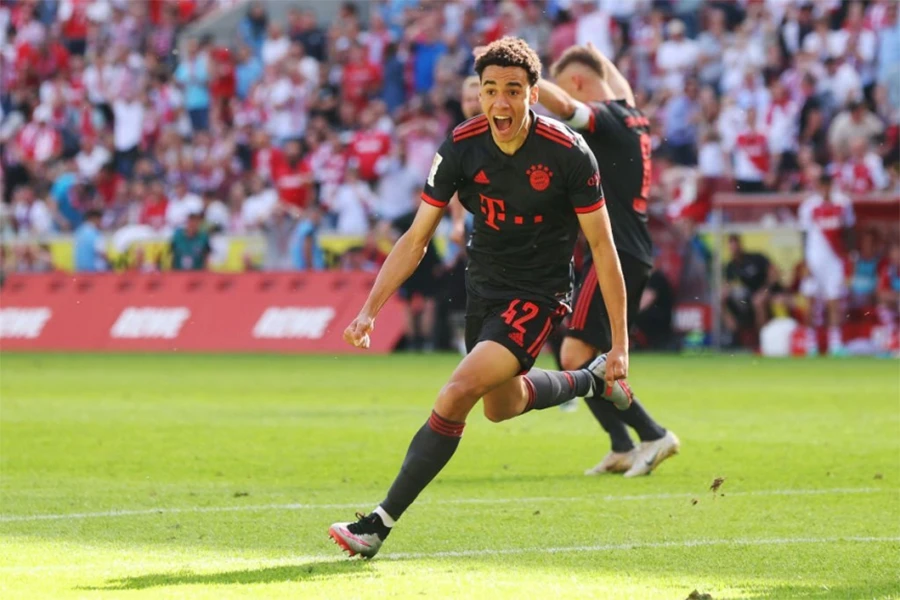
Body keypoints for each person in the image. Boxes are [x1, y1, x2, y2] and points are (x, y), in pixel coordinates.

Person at [329, 37, 631, 559]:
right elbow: (417, 237)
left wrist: (623, 343)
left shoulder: (568, 154)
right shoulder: (460, 146)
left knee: (456, 391)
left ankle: (377, 524)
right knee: (502, 405)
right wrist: (369, 310)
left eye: (512, 91)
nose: (499, 103)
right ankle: (591, 379)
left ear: (534, 94)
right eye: (490, 90)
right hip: (483, 287)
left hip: (538, 293)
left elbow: (603, 249)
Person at [534, 43, 679, 478]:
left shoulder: (607, 121)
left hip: (612, 252)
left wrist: (516, 72)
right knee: (585, 356)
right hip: (633, 251)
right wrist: (596, 55)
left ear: (577, 83)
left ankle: (653, 434)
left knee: (574, 355)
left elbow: (562, 102)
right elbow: (617, 82)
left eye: (568, 85)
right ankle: (621, 445)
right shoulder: (633, 116)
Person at [798, 172, 855, 356]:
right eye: (821, 185)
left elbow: (848, 230)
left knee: (834, 300)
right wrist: (805, 261)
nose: (824, 189)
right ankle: (811, 342)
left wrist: (849, 256)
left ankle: (835, 343)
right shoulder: (809, 206)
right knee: (811, 300)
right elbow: (804, 236)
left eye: (827, 185)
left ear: (831, 185)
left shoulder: (843, 204)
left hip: (835, 260)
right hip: (814, 259)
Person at [721, 234, 781, 348]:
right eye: (731, 247)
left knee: (758, 301)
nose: (734, 249)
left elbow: (774, 274)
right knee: (722, 299)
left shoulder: (756, 258)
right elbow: (727, 285)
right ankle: (732, 335)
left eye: (736, 246)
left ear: (740, 245)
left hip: (768, 291)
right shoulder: (731, 266)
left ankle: (763, 341)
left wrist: (765, 290)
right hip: (749, 298)